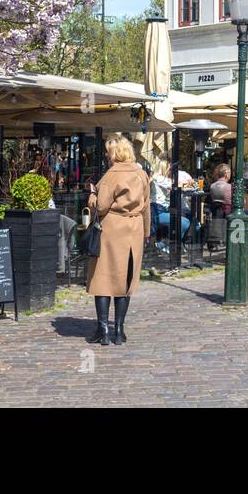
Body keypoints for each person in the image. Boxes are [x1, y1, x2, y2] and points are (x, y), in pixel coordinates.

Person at [86, 135, 152, 347]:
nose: (106, 155)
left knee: (103, 279)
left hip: (112, 229)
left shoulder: (110, 176)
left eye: (108, 151)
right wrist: (147, 232)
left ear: (114, 153)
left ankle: (104, 330)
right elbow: (147, 206)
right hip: (134, 228)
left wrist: (92, 195)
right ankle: (119, 330)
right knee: (126, 280)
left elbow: (101, 206)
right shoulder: (141, 174)